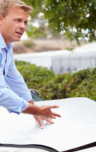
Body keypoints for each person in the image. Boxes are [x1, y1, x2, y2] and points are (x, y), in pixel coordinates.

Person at [0, 0, 61, 128]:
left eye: (25, 22)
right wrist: (36, 110)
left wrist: (34, 109)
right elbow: (1, 93)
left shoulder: (6, 48)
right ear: (1, 19)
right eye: (18, 20)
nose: (23, 26)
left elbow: (15, 80)